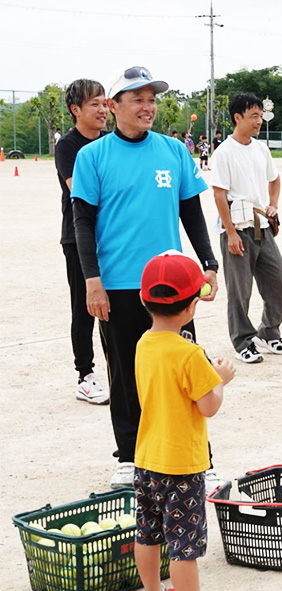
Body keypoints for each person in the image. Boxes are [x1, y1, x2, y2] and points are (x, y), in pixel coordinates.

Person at [71, 66, 222, 490]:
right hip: (118, 284)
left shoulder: (174, 151)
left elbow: (191, 212)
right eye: (137, 99)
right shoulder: (92, 157)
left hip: (171, 283)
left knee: (184, 373)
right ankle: (129, 457)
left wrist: (208, 263)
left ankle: (201, 460)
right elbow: (83, 222)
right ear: (114, 105)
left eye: (152, 99)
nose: (147, 107)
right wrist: (92, 280)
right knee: (124, 373)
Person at [134, 251, 236, 591]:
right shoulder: (191, 354)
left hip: (146, 459)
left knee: (148, 533)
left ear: (143, 300)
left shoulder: (143, 344)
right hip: (181, 466)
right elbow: (209, 406)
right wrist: (219, 379)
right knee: (183, 546)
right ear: (192, 307)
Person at [211, 93, 282, 364]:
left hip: (262, 226)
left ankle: (268, 332)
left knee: (279, 282)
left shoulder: (261, 149)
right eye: (254, 116)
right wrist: (231, 233)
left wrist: (273, 204)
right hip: (237, 228)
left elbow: (275, 179)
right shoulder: (224, 152)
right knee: (240, 290)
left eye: (261, 116)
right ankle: (243, 341)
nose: (259, 121)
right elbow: (219, 195)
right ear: (238, 117)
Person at [55, 79, 110, 405]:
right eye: (95, 104)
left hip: (113, 235)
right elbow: (80, 190)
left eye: (104, 103)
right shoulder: (68, 146)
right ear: (76, 109)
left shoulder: (110, 141)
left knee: (119, 303)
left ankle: (122, 367)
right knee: (84, 306)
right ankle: (85, 376)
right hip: (79, 236)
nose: (103, 110)